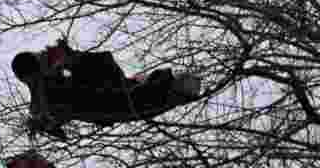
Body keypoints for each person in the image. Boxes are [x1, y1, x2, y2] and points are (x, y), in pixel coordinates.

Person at [12, 38, 201, 138]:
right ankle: (180, 88)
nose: (46, 59)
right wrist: (72, 59)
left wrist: (70, 61)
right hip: (122, 102)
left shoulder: (44, 97)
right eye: (40, 60)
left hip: (120, 102)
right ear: (35, 72)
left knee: (158, 88)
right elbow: (104, 68)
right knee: (160, 89)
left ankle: (178, 87)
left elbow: (59, 117)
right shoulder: (49, 91)